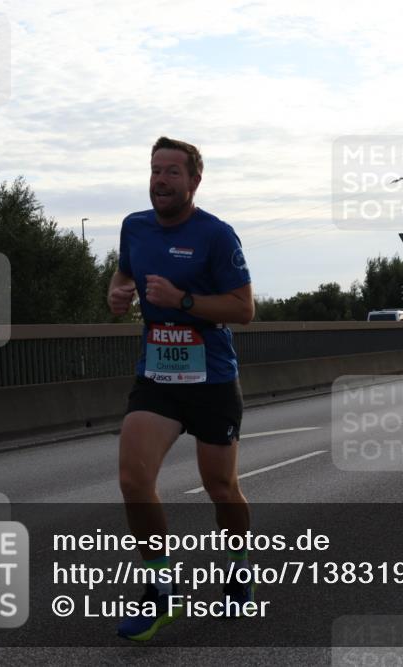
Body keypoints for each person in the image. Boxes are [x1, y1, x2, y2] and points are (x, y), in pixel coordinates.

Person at [108, 136, 255, 641]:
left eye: (173, 172)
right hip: (158, 377)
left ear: (194, 180)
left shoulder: (216, 235)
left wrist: (183, 300)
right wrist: (116, 293)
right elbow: (124, 273)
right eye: (155, 170)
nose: (161, 180)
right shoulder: (135, 227)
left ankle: (238, 568)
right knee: (133, 479)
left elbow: (243, 308)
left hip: (212, 378)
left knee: (221, 488)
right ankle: (161, 590)